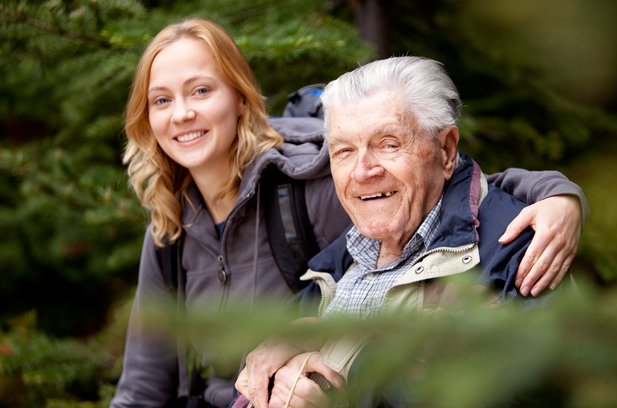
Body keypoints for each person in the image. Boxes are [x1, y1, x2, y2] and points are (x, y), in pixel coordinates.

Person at [111, 18, 587, 408]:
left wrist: (558, 197)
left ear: (240, 98)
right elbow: (143, 384)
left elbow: (464, 196)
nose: (363, 171)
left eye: (387, 143)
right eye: (161, 100)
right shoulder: (332, 259)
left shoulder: (305, 193)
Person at [235, 56, 586, 408]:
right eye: (344, 151)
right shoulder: (339, 260)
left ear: (446, 150)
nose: (362, 171)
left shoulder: (519, 249)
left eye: (388, 144)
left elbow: (530, 390)